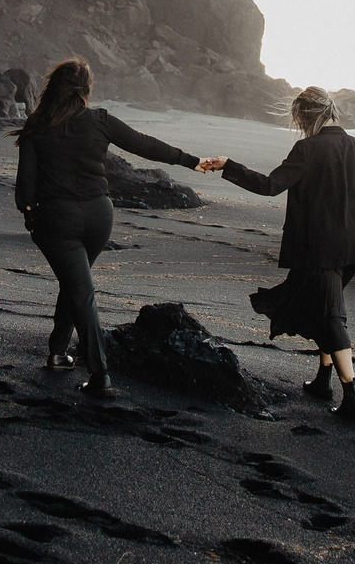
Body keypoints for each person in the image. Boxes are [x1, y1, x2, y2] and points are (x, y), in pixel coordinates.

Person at [12, 57, 224, 398]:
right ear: (86, 90)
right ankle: (57, 350)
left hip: (58, 220)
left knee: (80, 290)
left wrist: (31, 218)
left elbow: (25, 188)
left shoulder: (37, 125)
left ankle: (100, 375)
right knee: (75, 282)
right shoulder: (100, 120)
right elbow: (147, 145)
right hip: (99, 216)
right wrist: (192, 161)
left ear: (53, 88)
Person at [219, 86, 355, 422]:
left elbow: (269, 185)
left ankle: (353, 398)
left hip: (320, 250)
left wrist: (229, 166)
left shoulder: (307, 150)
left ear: (305, 117)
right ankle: (323, 380)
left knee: (330, 317)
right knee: (321, 308)